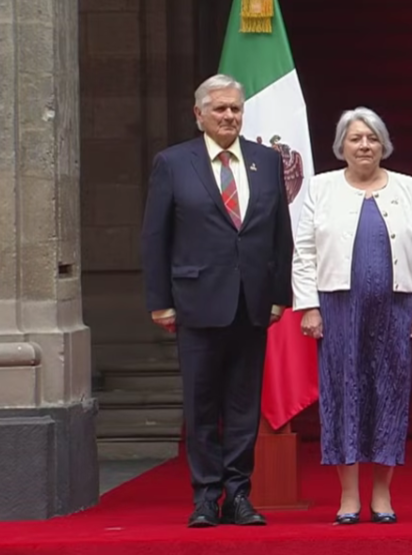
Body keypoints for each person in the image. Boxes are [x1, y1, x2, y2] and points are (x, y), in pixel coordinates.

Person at [140, 74, 294, 528]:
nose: (229, 116)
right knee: (203, 404)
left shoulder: (265, 161)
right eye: (221, 109)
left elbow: (279, 234)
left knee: (244, 407)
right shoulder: (173, 163)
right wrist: (159, 301)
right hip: (196, 302)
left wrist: (279, 295)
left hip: (252, 303)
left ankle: (239, 495)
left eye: (236, 109)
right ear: (199, 114)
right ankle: (206, 498)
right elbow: (155, 237)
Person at [292, 106, 412, 526]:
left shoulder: (410, 187)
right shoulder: (321, 188)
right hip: (338, 309)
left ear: (383, 145)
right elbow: (305, 252)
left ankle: (382, 494)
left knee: (390, 393)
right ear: (342, 146)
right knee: (343, 394)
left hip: (394, 307)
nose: (364, 145)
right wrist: (309, 306)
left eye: (372, 138)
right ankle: (349, 496)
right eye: (355, 138)